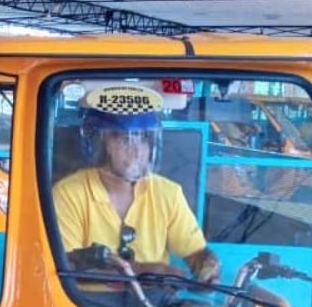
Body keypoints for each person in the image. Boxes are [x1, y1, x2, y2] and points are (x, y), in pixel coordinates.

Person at [52, 84, 220, 283]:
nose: (137, 151)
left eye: (143, 140)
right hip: (84, 306)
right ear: (102, 145)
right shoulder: (68, 194)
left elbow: (195, 252)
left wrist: (206, 265)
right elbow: (66, 267)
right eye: (125, 140)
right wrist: (144, 272)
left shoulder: (167, 192)